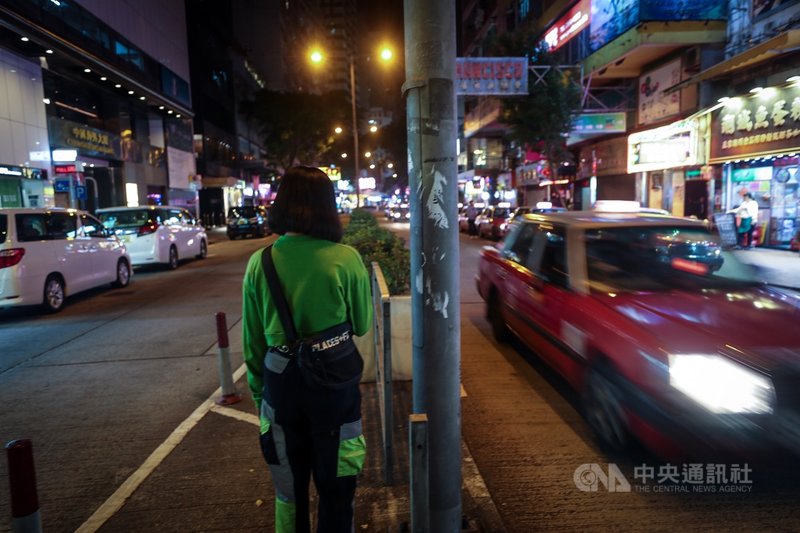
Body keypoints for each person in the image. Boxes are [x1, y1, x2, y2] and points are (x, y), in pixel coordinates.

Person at [242, 166, 373, 532]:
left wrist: (260, 395)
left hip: (280, 388)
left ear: (282, 205)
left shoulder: (260, 262)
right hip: (334, 388)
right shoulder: (345, 259)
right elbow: (361, 324)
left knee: (289, 493)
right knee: (337, 490)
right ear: (326, 207)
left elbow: (252, 341)